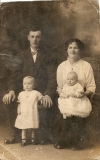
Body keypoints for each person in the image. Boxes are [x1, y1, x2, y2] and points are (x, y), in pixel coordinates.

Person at [3, 25, 56, 144]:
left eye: (38, 37)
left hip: (40, 93)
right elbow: (14, 78)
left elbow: (53, 78)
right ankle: (16, 134)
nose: (35, 39)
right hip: (25, 94)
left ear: (41, 38)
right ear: (28, 38)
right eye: (32, 36)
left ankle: (41, 135)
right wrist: (11, 90)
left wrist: (47, 94)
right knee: (9, 99)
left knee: (48, 103)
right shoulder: (21, 56)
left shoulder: (48, 56)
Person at [53, 39, 96, 149]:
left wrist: (84, 94)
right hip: (66, 97)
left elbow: (91, 86)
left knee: (77, 114)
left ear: (80, 50)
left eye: (75, 47)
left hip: (80, 98)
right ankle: (64, 141)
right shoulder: (61, 66)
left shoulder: (86, 66)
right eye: (70, 47)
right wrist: (62, 94)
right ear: (66, 49)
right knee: (64, 112)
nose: (73, 50)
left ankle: (76, 142)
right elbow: (60, 86)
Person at [15, 76, 43, 146]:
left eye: (29, 84)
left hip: (32, 112)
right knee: (23, 126)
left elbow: (41, 99)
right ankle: (23, 139)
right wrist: (19, 110)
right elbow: (19, 103)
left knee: (32, 125)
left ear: (34, 85)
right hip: (24, 112)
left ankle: (33, 139)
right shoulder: (21, 94)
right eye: (25, 84)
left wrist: (40, 106)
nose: (26, 86)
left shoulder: (36, 93)